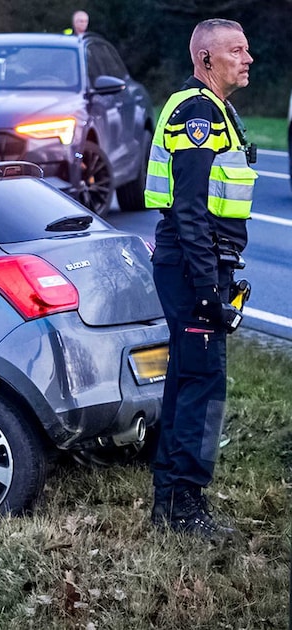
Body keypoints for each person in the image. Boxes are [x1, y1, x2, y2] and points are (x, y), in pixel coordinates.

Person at [144, 18, 256, 541]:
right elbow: (188, 210)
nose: (248, 59)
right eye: (237, 50)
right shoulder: (197, 113)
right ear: (207, 60)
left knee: (188, 380)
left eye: (248, 49)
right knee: (201, 387)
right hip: (194, 267)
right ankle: (184, 508)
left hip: (198, 264)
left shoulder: (215, 110)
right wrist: (208, 290)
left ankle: (170, 501)